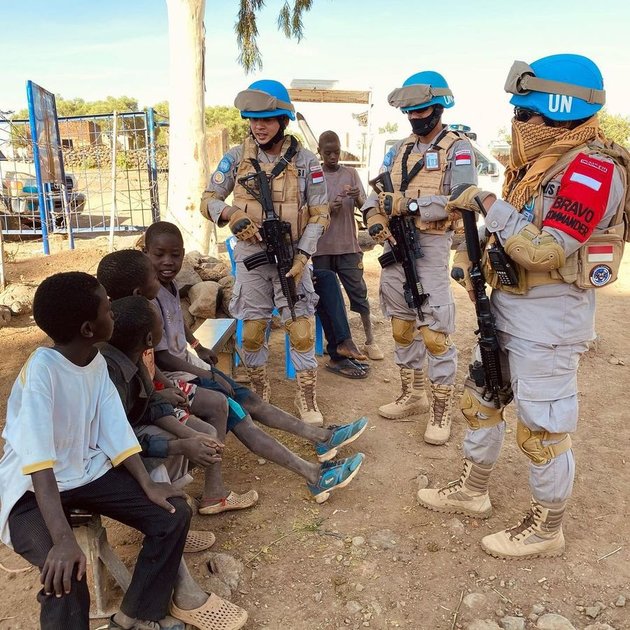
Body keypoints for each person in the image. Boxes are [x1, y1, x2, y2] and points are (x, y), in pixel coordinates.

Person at [417, 54, 629, 559]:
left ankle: (547, 527)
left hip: (550, 321)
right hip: (509, 307)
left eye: (527, 114)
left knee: (542, 429)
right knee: (481, 399)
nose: (520, 124)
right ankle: (473, 491)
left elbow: (546, 249)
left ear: (560, 110)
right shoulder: (539, 165)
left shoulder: (593, 171)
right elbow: (508, 236)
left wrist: (489, 203)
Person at [0, 272, 246, 630]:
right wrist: (64, 540)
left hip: (83, 472)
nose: (112, 312)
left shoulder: (95, 363)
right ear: (88, 329)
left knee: (172, 511)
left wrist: (148, 484)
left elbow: (114, 430)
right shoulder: (42, 371)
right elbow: (38, 464)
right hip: (30, 490)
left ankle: (133, 615)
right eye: (106, 308)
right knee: (66, 574)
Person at [113, 227, 368, 503]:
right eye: (159, 255)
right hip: (182, 376)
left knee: (247, 403)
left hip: (189, 368)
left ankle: (319, 441)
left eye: (174, 255)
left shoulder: (168, 286)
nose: (167, 262)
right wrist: (207, 372)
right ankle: (312, 471)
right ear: (146, 254)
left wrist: (198, 347)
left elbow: (178, 323)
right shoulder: (146, 303)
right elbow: (159, 357)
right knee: (239, 413)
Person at [200, 79, 330, 425]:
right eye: (254, 119)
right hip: (252, 259)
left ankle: (307, 399)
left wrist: (303, 255)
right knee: (254, 329)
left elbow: (320, 213)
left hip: (293, 259)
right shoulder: (235, 159)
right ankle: (258, 396)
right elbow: (208, 201)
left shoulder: (306, 162)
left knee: (300, 330)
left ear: (282, 121)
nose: (259, 126)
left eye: (267, 119)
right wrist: (233, 214)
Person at [361, 71, 477, 444]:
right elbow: (373, 196)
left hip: (429, 247)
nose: (414, 117)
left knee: (435, 335)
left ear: (438, 107)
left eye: (421, 110)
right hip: (395, 248)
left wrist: (410, 205)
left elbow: (463, 200)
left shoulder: (458, 148)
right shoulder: (398, 149)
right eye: (409, 111)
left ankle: (440, 412)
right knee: (400, 327)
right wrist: (377, 219)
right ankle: (413, 394)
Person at [97, 248, 259, 515]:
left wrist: (174, 410)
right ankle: (170, 514)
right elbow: (119, 434)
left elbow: (149, 396)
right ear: (149, 340)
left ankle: (210, 495)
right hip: (121, 444)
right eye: (152, 275)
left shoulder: (133, 335)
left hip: (147, 413)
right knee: (185, 447)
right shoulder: (113, 363)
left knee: (206, 432)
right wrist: (180, 443)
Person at [312, 130, 383, 363]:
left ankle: (370, 341)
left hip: (348, 246)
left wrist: (359, 198)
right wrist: (326, 210)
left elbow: (366, 207)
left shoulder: (351, 173)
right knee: (325, 298)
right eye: (328, 152)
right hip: (321, 248)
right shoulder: (315, 177)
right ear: (320, 152)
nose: (333, 156)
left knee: (359, 294)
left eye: (336, 152)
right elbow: (308, 210)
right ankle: (332, 342)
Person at [313, 268, 371, 379]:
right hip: (277, 276)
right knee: (321, 284)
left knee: (328, 277)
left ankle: (343, 344)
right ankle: (338, 352)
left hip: (292, 270)